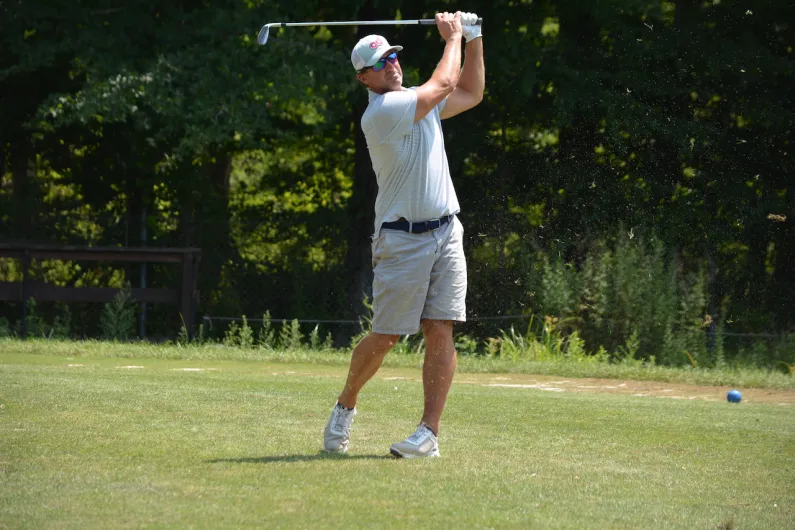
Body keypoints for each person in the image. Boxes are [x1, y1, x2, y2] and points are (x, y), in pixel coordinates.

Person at [323, 11, 485, 458]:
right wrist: (453, 37)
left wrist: (475, 39)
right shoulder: (384, 111)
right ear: (364, 79)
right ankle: (346, 403)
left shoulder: (417, 98)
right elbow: (446, 85)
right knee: (387, 336)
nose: (391, 63)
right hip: (401, 239)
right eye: (380, 62)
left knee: (440, 329)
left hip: (446, 232)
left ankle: (428, 434)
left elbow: (470, 91)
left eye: (393, 55)